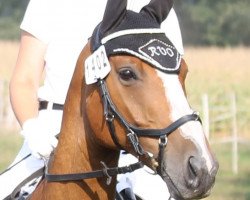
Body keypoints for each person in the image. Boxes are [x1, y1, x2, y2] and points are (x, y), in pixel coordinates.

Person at [0, 0, 184, 199]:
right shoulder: (47, 3)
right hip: (51, 131)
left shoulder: (154, 7)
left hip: (129, 138)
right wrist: (33, 130)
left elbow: (170, 87)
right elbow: (24, 80)